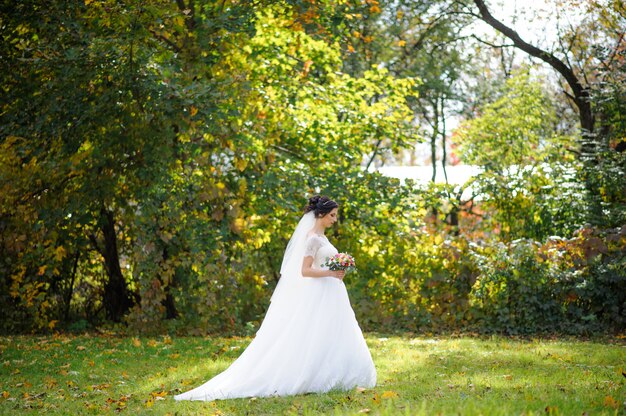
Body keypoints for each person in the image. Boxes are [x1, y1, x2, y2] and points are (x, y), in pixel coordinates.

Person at [174, 195, 376, 401]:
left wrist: (338, 268)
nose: (334, 219)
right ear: (321, 214)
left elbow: (321, 263)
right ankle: (312, 375)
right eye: (332, 215)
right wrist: (330, 273)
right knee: (316, 331)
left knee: (333, 331)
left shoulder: (323, 238)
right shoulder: (313, 238)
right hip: (320, 290)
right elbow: (305, 271)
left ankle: (339, 373)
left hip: (331, 292)